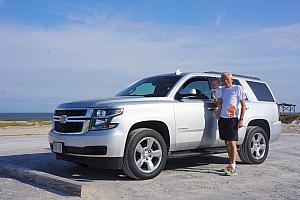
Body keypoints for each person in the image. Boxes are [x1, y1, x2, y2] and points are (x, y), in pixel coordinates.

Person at [215, 72, 246, 176]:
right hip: (223, 119)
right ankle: (230, 164)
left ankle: (233, 166)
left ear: (231, 79)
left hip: (232, 118)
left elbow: (243, 105)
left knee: (232, 142)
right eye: (224, 80)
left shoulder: (237, 88)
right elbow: (218, 103)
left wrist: (241, 119)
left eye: (228, 79)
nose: (226, 81)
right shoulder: (221, 90)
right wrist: (216, 97)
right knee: (227, 142)